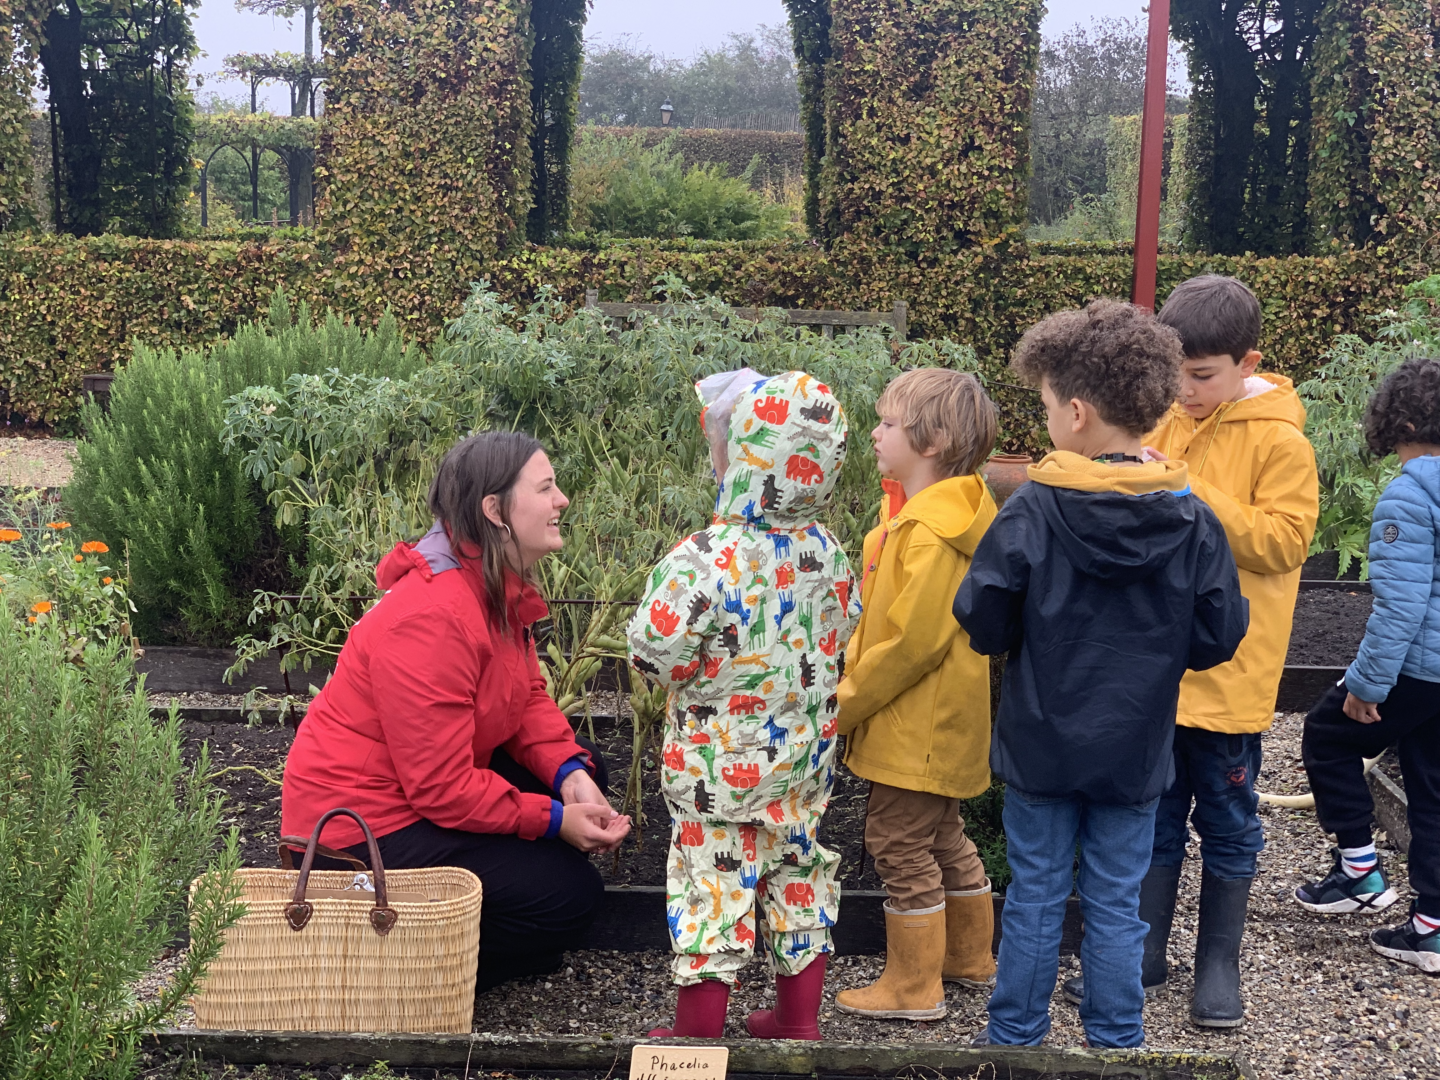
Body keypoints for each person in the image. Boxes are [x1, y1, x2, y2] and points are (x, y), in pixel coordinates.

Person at [954, 299, 1249, 1049]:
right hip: (1135, 745)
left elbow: (983, 617)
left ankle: (1015, 1041)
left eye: (1048, 406)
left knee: (1035, 896)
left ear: (1076, 412)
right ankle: (1117, 1043)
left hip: (1041, 743)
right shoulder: (1193, 520)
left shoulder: (1030, 512)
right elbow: (1219, 635)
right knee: (1118, 902)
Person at [280, 431, 631, 990]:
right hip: (361, 828)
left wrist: (569, 774)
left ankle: (459, 931)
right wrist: (553, 822)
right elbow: (440, 788)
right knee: (568, 899)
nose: (562, 500)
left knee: (589, 770)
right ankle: (394, 971)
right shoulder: (433, 618)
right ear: (495, 510)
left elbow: (524, 698)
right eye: (546, 488)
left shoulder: (489, 584)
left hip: (410, 791)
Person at [1062, 274, 1320, 1028]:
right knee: (1157, 814)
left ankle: (1219, 966)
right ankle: (1144, 954)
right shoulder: (1169, 422)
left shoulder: (1282, 441)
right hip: (1156, 670)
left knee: (1232, 819)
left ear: (1249, 362)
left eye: (1202, 375)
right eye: (1176, 371)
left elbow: (1282, 544)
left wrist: (1191, 491)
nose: (1184, 388)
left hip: (1232, 675)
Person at [628, 369, 861, 1041]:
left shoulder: (705, 557)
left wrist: (702, 669)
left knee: (712, 884)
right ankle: (796, 1021)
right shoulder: (826, 550)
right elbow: (843, 626)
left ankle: (697, 1037)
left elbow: (654, 648)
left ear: (746, 454)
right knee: (800, 874)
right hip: (801, 763)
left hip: (715, 770)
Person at [831, 368, 1000, 1022]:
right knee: (943, 837)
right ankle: (967, 957)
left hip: (915, 725)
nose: (875, 432)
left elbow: (910, 642)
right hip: (945, 723)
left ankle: (913, 988)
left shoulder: (930, 532)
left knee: (898, 844)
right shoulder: (940, 514)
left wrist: (842, 703)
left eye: (889, 423)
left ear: (930, 442)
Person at [1294, 357, 1440, 974]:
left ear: (1398, 420)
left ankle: (1359, 872)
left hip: (1418, 671)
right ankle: (1430, 929)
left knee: (1327, 736)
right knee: (1430, 789)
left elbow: (1401, 608)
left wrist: (1366, 685)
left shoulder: (1409, 494)